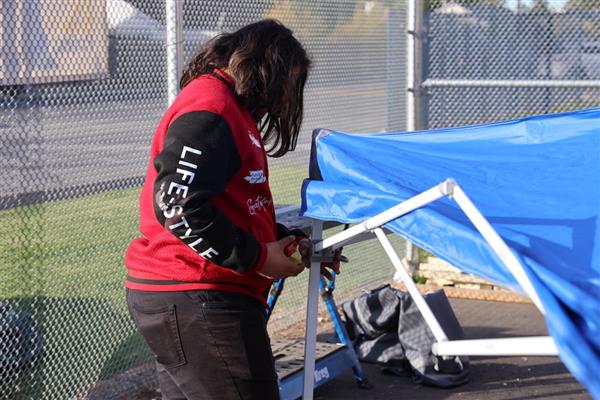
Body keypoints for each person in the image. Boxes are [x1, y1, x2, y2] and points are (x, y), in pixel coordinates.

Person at [124, 19, 339, 400]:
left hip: (191, 298)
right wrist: (258, 257)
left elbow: (239, 204)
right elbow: (176, 206)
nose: (288, 99)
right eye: (289, 83)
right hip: (198, 296)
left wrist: (287, 242)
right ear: (266, 68)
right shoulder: (213, 108)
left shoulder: (230, 110)